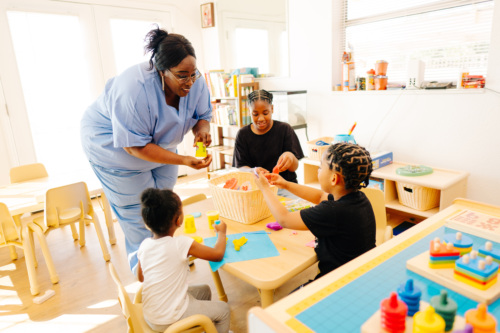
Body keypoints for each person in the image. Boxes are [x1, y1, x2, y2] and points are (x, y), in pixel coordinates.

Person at [80, 26, 212, 273]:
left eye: (193, 74)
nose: (190, 82)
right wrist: (183, 159)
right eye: (183, 76)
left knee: (166, 210)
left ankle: (170, 258)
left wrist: (201, 130)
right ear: (163, 72)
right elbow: (135, 146)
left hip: (163, 147)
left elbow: (201, 115)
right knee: (142, 217)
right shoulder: (133, 88)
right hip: (115, 150)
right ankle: (150, 279)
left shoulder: (195, 80)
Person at [254, 142, 376, 281]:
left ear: (334, 178)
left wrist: (264, 188)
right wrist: (285, 184)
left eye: (320, 167)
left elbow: (284, 219)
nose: (318, 171)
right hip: (362, 272)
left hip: (338, 282)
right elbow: (319, 197)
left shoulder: (333, 211)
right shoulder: (358, 199)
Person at [137, 188, 230, 332]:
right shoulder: (180, 244)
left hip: (151, 314)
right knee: (223, 310)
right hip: (169, 317)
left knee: (204, 291)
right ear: (178, 220)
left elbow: (141, 277)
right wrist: (221, 232)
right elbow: (217, 254)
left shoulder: (144, 245)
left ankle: (204, 327)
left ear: (147, 223)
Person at [232, 89, 304, 198]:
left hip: (285, 187)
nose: (261, 118)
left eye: (265, 113)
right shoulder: (243, 134)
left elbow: (294, 167)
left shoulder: (284, 129)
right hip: (256, 189)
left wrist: (290, 157)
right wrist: (253, 170)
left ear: (272, 109)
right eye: (255, 114)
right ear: (249, 112)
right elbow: (241, 168)